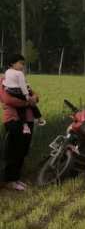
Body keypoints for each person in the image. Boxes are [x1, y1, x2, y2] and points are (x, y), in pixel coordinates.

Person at [2, 55, 42, 192]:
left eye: (24, 64)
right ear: (11, 63)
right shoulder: (4, 79)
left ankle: (16, 178)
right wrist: (27, 102)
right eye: (21, 63)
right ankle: (10, 180)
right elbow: (8, 100)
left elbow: (35, 96)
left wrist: (33, 99)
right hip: (14, 119)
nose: (23, 66)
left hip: (28, 120)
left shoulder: (21, 77)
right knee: (14, 150)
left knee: (23, 150)